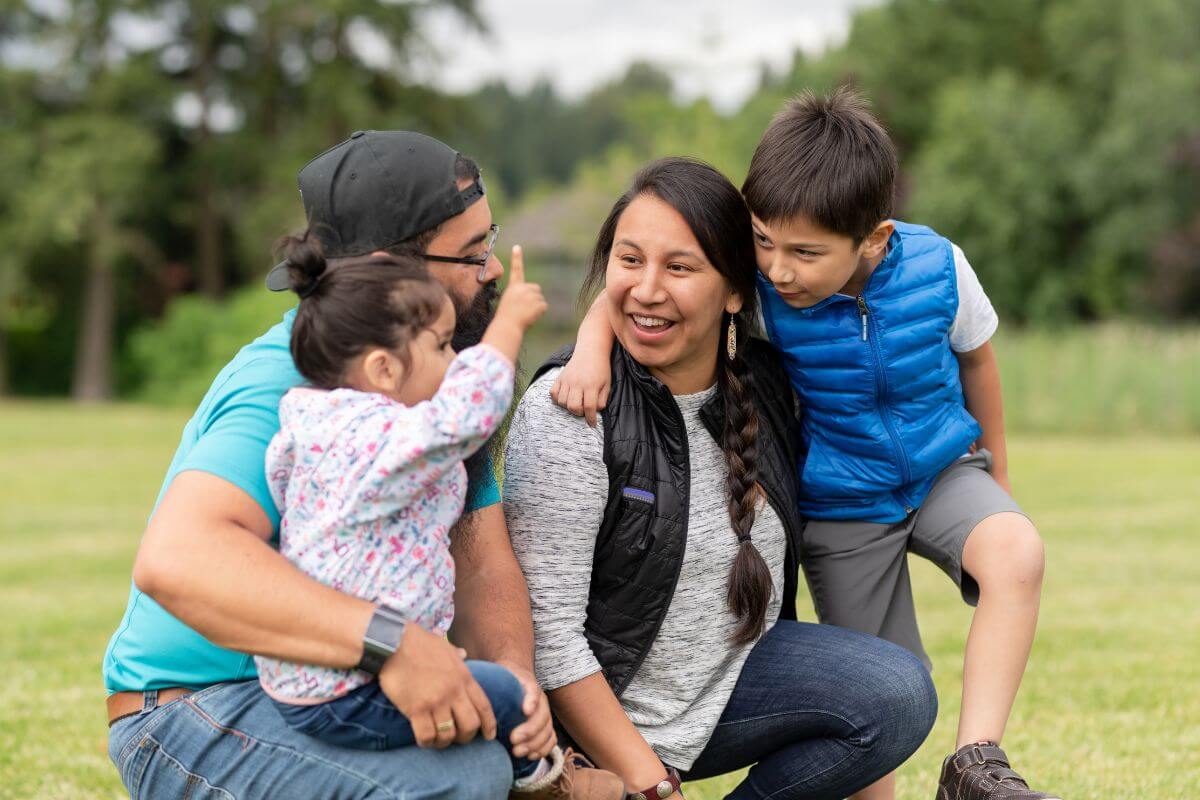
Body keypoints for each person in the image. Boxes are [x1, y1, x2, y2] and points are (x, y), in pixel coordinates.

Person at [552, 90, 1056, 800]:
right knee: (880, 690)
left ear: (875, 239)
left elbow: (979, 360)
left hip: (943, 471)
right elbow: (640, 283)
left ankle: (976, 763)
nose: (780, 269)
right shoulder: (760, 284)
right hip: (844, 503)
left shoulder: (941, 269)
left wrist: (997, 475)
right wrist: (588, 350)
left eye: (805, 253)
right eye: (763, 241)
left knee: (1018, 551)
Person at [102, 131, 562, 798]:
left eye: (489, 244)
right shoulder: (287, 378)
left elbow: (482, 560)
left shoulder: (435, 378)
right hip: (192, 711)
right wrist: (388, 644)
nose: (491, 270)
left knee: (491, 753)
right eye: (471, 254)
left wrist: (516, 697)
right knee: (460, 778)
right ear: (389, 270)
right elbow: (176, 560)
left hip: (333, 694)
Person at [505, 157, 938, 800]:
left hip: (729, 686)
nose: (648, 289)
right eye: (630, 261)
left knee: (897, 693)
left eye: (680, 267)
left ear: (735, 290)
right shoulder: (573, 410)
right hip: (604, 720)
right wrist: (651, 785)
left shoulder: (769, 383)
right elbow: (550, 638)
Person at [252, 235, 621, 799]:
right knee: (510, 699)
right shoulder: (370, 437)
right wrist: (508, 326)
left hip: (317, 679)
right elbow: (462, 415)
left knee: (477, 696)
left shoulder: (317, 423)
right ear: (381, 369)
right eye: (445, 346)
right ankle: (544, 784)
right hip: (346, 690)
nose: (456, 360)